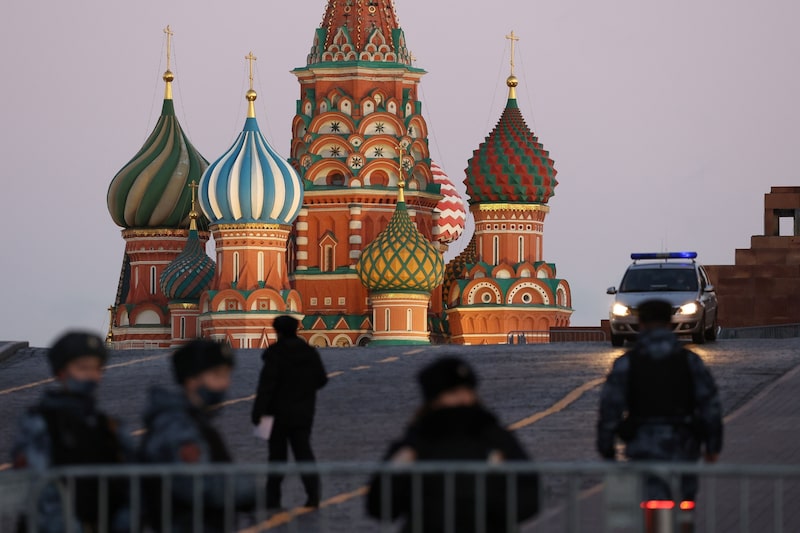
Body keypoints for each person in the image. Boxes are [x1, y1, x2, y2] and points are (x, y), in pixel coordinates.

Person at [366, 357, 539, 532]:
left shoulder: (493, 437)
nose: (462, 399)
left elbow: (528, 498)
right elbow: (380, 505)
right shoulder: (418, 441)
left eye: (466, 391)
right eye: (453, 393)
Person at [597, 299, 724, 502]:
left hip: (644, 445)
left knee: (650, 499)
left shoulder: (627, 363)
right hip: (684, 443)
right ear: (669, 323)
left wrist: (606, 447)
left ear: (640, 324)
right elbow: (710, 405)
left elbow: (610, 408)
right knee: (684, 501)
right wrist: (713, 446)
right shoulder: (690, 361)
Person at [11, 331, 131, 533]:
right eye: (83, 368)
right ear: (61, 372)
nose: (91, 376)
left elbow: (129, 481)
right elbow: (37, 486)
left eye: (96, 368)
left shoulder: (106, 425)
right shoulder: (40, 423)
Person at [139, 339, 254, 532]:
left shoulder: (193, 421)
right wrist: (248, 491)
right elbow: (197, 484)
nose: (226, 383)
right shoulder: (177, 426)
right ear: (192, 379)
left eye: (226, 375)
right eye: (217, 375)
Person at [251, 315, 328, 509]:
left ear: (278, 331)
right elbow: (321, 379)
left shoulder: (275, 354)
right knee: (304, 454)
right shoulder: (309, 352)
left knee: (276, 458)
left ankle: (273, 500)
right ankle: (313, 495)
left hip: (276, 415)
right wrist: (304, 391)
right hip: (303, 414)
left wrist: (258, 412)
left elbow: (266, 386)